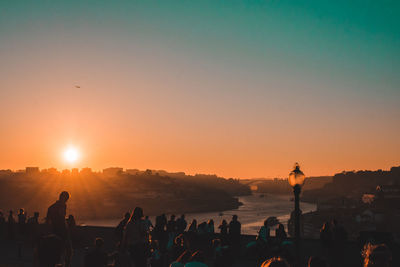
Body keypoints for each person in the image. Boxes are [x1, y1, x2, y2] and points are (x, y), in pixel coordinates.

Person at [46, 191, 72, 267]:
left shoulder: (51, 207)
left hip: (54, 231)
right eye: (66, 198)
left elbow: (48, 221)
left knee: (55, 251)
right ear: (64, 198)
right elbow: (61, 217)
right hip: (62, 231)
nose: (67, 200)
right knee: (67, 250)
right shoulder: (63, 206)